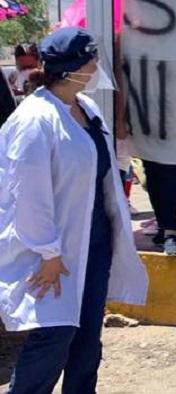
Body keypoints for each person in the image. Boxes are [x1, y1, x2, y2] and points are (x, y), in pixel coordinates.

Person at [0, 27, 148, 393]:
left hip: (93, 244)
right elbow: (27, 194)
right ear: (71, 68)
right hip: (52, 252)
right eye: (91, 60)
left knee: (85, 342)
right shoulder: (35, 119)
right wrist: (48, 253)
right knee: (54, 338)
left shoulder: (87, 108)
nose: (97, 66)